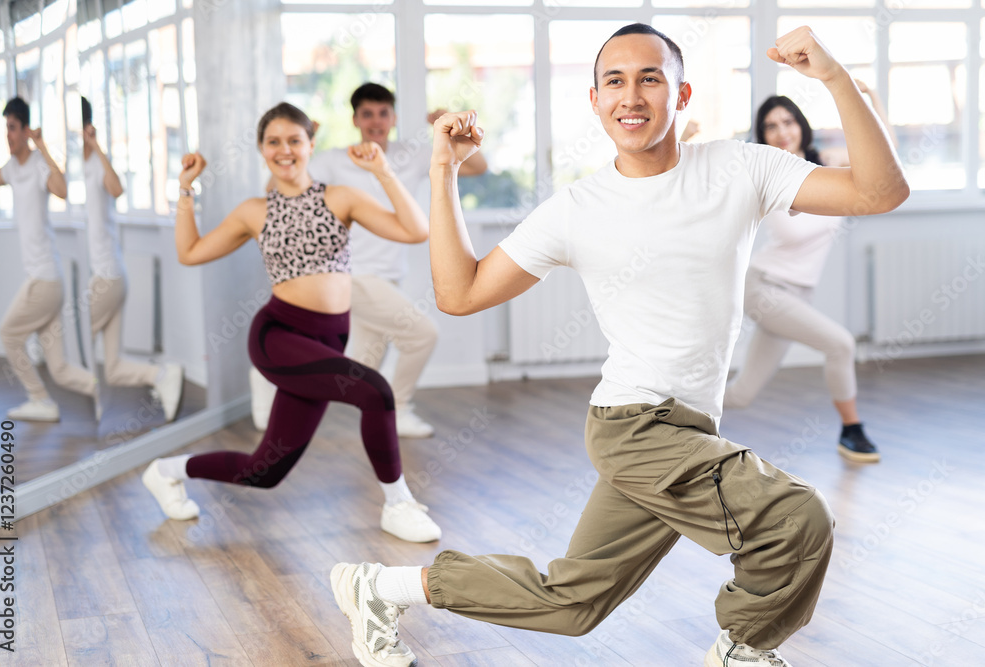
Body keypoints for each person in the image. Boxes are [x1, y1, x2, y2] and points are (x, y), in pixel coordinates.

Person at [330, 24, 908, 667]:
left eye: (650, 78)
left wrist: (834, 78)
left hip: (689, 427)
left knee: (572, 603)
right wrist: (443, 169)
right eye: (615, 80)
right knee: (799, 517)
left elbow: (879, 192)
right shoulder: (576, 208)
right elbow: (459, 292)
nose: (631, 95)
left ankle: (379, 588)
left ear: (681, 93)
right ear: (596, 100)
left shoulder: (741, 167)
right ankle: (742, 649)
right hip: (636, 426)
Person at [141, 102, 442, 544]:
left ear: (310, 145)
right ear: (262, 150)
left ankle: (166, 472)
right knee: (375, 391)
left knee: (264, 470)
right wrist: (185, 189)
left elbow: (415, 230)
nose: (285, 150)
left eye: (294, 140)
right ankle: (398, 503)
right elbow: (190, 253)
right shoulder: (253, 211)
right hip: (278, 336)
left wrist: (382, 172)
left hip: (328, 339)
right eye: (273, 142)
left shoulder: (341, 197)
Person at [250, 83, 488, 438]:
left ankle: (278, 378)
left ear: (392, 117)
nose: (375, 121)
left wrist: (450, 128)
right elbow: (275, 191)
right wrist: (300, 144)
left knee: (357, 369)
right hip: (353, 275)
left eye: (382, 113)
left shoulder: (413, 153)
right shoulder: (332, 160)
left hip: (390, 275)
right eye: (367, 114)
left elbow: (477, 168)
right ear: (355, 119)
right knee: (422, 335)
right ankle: (399, 410)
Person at [723, 92, 892, 464]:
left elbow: (884, 162)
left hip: (798, 295)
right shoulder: (764, 175)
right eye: (770, 125)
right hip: (764, 288)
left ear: (800, 124)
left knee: (741, 395)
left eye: (787, 121)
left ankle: (667, 409)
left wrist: (873, 103)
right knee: (841, 344)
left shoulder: (827, 166)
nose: (781, 131)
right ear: (762, 135)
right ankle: (852, 431)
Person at [0, 97, 98, 422]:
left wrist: (41, 144)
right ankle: (99, 389)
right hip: (45, 279)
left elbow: (62, 190)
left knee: (8, 333)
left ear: (24, 130)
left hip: (45, 279)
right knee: (59, 369)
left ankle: (39, 399)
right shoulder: (11, 167)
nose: (7, 135)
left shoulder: (36, 163)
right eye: (5, 128)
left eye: (11, 128)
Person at [81, 97, 184, 423]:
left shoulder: (97, 163)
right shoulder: (79, 167)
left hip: (108, 277)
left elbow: (118, 189)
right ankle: (163, 376)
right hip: (107, 276)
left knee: (76, 340)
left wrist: (96, 145)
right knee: (112, 367)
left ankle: (86, 411)